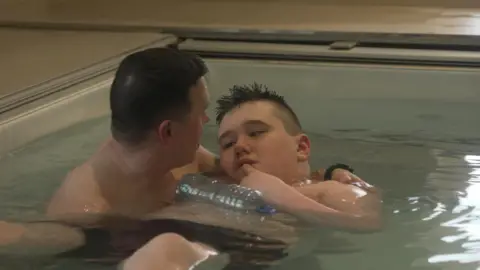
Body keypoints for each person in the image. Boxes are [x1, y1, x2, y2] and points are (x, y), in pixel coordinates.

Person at [45, 47, 370, 224]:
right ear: (168, 132)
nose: (206, 121)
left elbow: (261, 171)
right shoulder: (86, 209)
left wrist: (327, 174)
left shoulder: (179, 155)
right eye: (200, 114)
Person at [121, 83, 383, 270]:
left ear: (301, 148)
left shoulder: (327, 188)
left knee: (167, 249)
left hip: (240, 251)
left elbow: (365, 219)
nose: (240, 146)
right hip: (146, 240)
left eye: (256, 133)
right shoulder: (216, 180)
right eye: (227, 143)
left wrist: (279, 195)